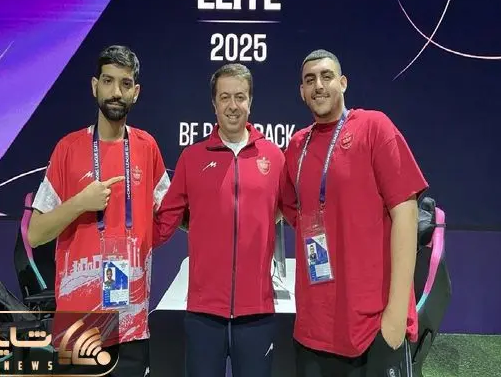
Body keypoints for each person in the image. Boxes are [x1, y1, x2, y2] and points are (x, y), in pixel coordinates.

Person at [279, 49, 428, 377]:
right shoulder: (297, 146)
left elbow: (406, 214)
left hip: (371, 328)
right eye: (309, 80)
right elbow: (286, 211)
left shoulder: (374, 127)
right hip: (313, 329)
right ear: (302, 91)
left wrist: (395, 315)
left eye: (327, 76)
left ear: (343, 83)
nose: (318, 85)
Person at [27, 45, 170, 377]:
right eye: (108, 81)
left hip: (131, 324)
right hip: (79, 326)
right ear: (95, 86)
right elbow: (35, 234)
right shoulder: (67, 148)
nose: (116, 92)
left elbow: (172, 212)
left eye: (125, 83)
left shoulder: (147, 147)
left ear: (136, 92)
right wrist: (81, 202)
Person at [153, 63, 284, 377]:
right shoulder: (192, 158)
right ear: (214, 103)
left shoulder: (274, 157)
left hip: (257, 312)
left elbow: (291, 211)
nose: (233, 105)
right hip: (204, 313)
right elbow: (163, 225)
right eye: (225, 97)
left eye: (240, 97)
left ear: (250, 101)